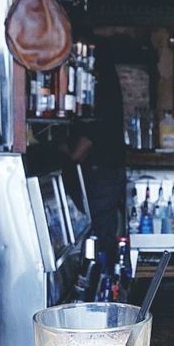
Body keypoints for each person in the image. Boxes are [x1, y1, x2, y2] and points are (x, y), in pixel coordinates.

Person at [69, 45, 126, 258]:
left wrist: (65, 150)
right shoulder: (108, 86)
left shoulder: (100, 90)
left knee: (98, 238)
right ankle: (105, 281)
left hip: (101, 173)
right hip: (109, 170)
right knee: (103, 235)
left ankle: (101, 281)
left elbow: (83, 145)